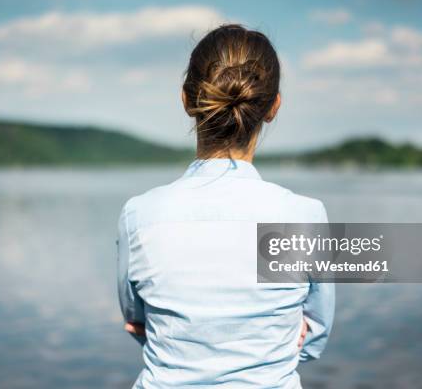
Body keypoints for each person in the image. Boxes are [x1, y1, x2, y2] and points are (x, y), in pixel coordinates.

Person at [117, 24, 334, 388]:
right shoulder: (305, 217)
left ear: (187, 100)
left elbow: (136, 320)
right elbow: (315, 335)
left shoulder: (139, 215)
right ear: (273, 107)